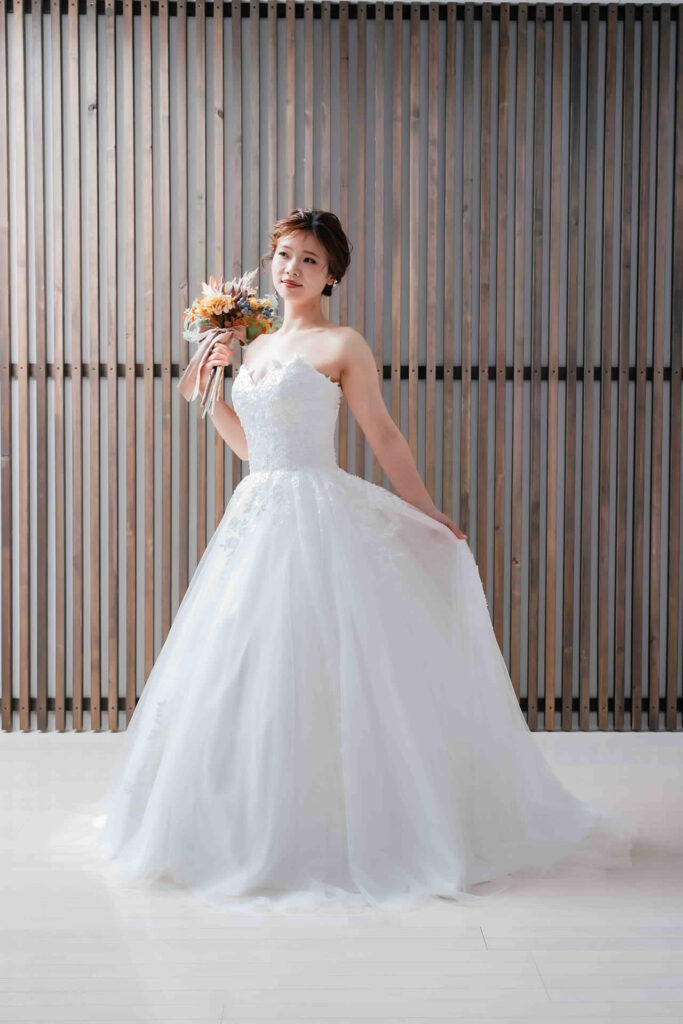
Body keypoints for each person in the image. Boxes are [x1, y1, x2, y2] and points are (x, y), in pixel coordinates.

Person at [96, 208, 633, 914]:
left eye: (309, 260)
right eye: (284, 256)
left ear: (331, 275)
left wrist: (427, 510)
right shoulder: (252, 345)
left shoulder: (343, 343)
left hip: (318, 514)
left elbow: (382, 434)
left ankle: (358, 828)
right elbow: (251, 449)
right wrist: (214, 383)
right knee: (247, 663)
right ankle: (242, 825)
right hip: (257, 516)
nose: (292, 269)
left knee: (335, 662)